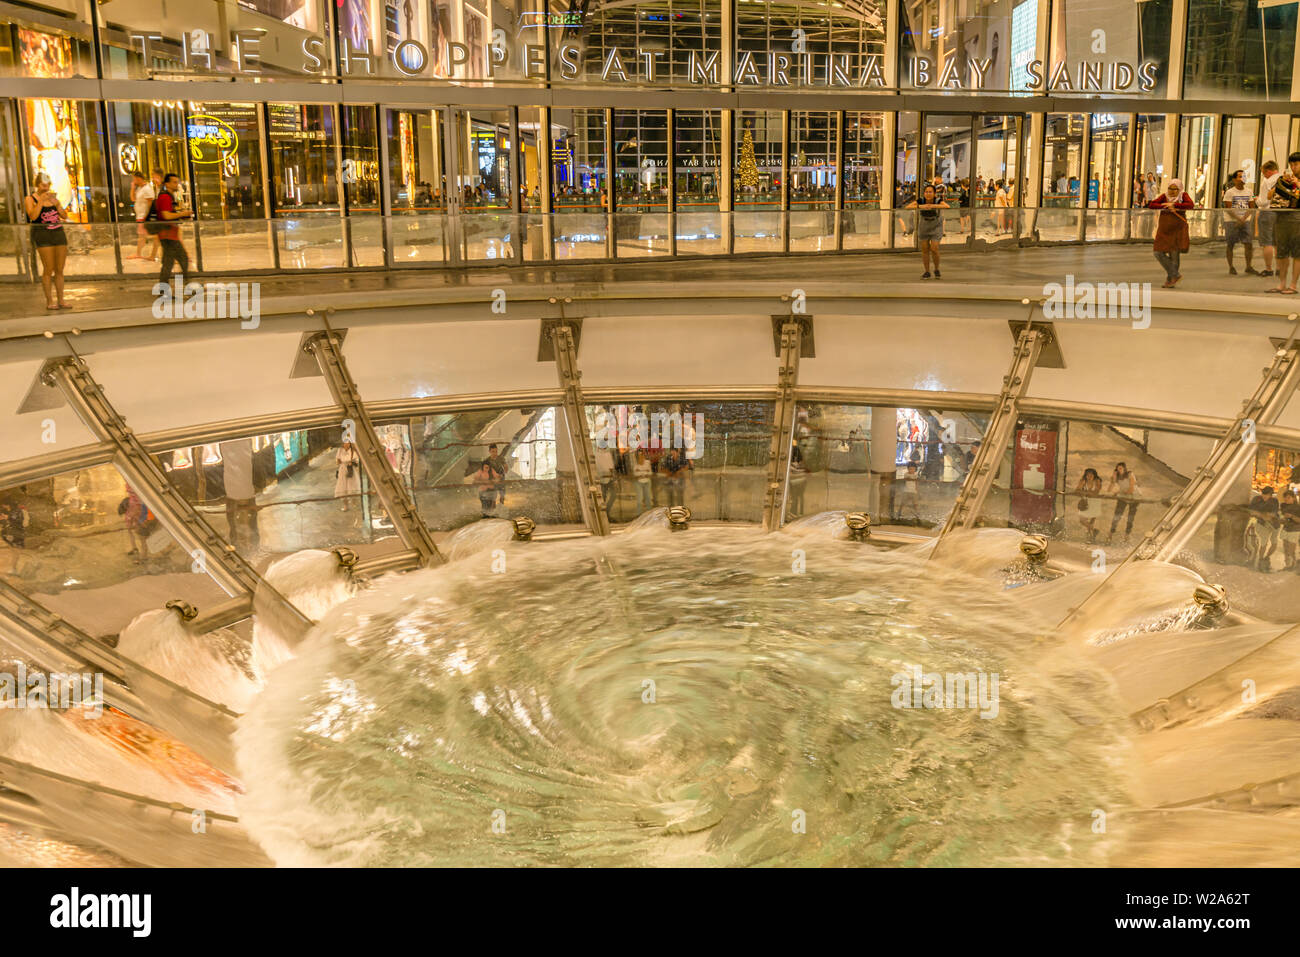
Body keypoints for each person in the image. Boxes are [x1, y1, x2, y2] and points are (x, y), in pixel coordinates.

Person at [23, 171, 70, 310]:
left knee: (59, 269)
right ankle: (50, 301)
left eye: (47, 185)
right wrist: (41, 201)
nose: (46, 188)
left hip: (58, 233)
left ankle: (61, 300)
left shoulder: (53, 198)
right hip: (43, 234)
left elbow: (64, 216)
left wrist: (57, 205)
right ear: (37, 185)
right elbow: (33, 215)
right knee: (48, 268)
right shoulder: (30, 199)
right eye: (43, 185)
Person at [1147, 179, 1193, 288]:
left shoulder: (1183, 195)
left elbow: (1190, 205)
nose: (1172, 191)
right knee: (1158, 252)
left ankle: (1170, 280)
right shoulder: (1164, 196)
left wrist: (1176, 205)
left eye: (1175, 189)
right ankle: (1175, 274)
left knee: (1174, 255)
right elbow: (1152, 204)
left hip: (1177, 229)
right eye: (1170, 188)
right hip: (1164, 230)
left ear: (1179, 189)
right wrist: (1166, 205)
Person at [1268, 151, 1300, 294]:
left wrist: (1297, 184)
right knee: (1281, 252)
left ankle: (1293, 285)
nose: (1293, 167)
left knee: (1297, 254)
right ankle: (1281, 283)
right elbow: (1269, 196)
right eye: (1291, 164)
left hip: (1298, 220)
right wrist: (1280, 184)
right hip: (1281, 218)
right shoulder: (1283, 179)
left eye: (1296, 164)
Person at [154, 172, 193, 285]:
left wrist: (181, 215)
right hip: (168, 235)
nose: (177, 184)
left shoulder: (167, 196)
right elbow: (166, 216)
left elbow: (169, 215)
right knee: (183, 259)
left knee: (168, 262)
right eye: (174, 182)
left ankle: (163, 289)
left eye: (177, 182)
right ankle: (187, 286)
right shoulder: (165, 197)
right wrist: (183, 214)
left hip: (168, 234)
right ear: (167, 184)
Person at [906, 183, 949, 279]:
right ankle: (927, 271)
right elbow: (908, 206)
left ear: (934, 193)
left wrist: (932, 206)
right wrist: (922, 206)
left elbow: (946, 206)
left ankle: (936, 269)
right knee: (925, 249)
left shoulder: (938, 200)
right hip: (924, 226)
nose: (928, 194)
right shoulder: (921, 200)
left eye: (930, 192)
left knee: (934, 248)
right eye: (926, 192)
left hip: (936, 226)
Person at [1221, 169, 1257, 275]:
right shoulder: (1230, 192)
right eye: (1240, 176)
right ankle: (1231, 266)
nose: (1243, 179)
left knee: (1248, 243)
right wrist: (1238, 219)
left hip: (1245, 220)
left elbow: (1251, 207)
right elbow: (1228, 208)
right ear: (1234, 179)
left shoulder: (1249, 191)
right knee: (1231, 243)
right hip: (1231, 221)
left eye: (1244, 176)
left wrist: (1243, 218)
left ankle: (1249, 266)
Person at [1247, 486, 1281, 571]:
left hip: (1274, 524)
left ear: (1271, 495)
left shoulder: (1274, 501)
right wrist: (1261, 515)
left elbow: (1272, 514)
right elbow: (1251, 510)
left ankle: (1266, 557)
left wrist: (1260, 514)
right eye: (1263, 494)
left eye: (1267, 495)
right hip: (1262, 524)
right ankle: (1261, 559)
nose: (1264, 496)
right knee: (1263, 542)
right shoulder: (1257, 499)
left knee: (1274, 542)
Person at [1255, 160, 1280, 278]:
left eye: (1264, 173)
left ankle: (1268, 268)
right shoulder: (1283, 179)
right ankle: (1280, 268)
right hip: (1281, 213)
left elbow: (1264, 201)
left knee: (1267, 242)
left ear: (1268, 171)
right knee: (1277, 242)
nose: (1263, 175)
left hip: (1267, 212)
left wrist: (1256, 199)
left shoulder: (1267, 182)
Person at [1105, 462, 1141, 543]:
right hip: (1124, 496)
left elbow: (1131, 488)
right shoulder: (1117, 477)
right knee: (1117, 515)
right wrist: (1113, 479)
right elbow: (1109, 490)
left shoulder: (1130, 474)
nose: (1119, 470)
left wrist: (1119, 493)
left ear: (1124, 469)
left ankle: (1127, 535)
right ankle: (1111, 533)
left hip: (1134, 496)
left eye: (1120, 468)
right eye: (1117, 469)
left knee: (1130, 517)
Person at [130, 169, 160, 262]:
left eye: (134, 179)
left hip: (144, 216)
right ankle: (139, 253)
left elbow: (150, 202)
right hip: (140, 216)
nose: (133, 181)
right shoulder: (140, 188)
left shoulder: (147, 188)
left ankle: (148, 254)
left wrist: (147, 216)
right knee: (142, 235)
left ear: (139, 178)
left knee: (147, 235)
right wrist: (132, 188)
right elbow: (133, 199)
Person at [120, 487, 150, 562]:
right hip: (139, 518)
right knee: (142, 538)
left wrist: (140, 521)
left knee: (143, 539)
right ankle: (138, 551)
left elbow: (142, 509)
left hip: (141, 519)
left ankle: (143, 557)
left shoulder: (139, 500)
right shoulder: (133, 501)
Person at [1075, 467, 1104, 544]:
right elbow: (1077, 490)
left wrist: (1085, 492)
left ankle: (1090, 537)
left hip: (1095, 502)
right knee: (1082, 520)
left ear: (1094, 475)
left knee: (1091, 521)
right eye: (1088, 475)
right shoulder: (1083, 481)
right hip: (1086, 502)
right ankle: (1094, 531)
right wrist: (1088, 492)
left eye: (1091, 475)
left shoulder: (1097, 481)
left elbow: (1096, 492)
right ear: (1085, 475)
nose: (1089, 477)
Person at [335, 442, 362, 511]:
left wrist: (351, 462)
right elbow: (337, 461)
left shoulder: (353, 451)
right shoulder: (340, 450)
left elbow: (357, 461)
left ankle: (354, 504)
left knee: (352, 486)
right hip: (342, 470)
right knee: (342, 487)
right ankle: (345, 506)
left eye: (348, 443)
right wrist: (339, 461)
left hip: (351, 470)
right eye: (345, 443)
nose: (346, 445)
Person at [1278, 488, 1300, 571]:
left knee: (1291, 550)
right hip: (1286, 529)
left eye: (1288, 498)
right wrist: (1281, 519)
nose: (1286, 499)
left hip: (1294, 530)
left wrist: (1291, 516)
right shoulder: (1283, 506)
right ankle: (1287, 566)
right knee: (1286, 549)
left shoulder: (1298, 507)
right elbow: (1282, 519)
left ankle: (1293, 565)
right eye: (1285, 498)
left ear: (1293, 498)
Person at [787, 440, 808, 518]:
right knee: (800, 496)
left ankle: (793, 513)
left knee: (794, 497)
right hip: (802, 481)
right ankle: (800, 512)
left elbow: (791, 473)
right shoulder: (801, 462)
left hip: (794, 481)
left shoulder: (791, 463)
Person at [485, 442, 508, 507]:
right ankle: (493, 513)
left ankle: (501, 509)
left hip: (501, 480)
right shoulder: (487, 461)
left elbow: (506, 467)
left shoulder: (500, 458)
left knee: (502, 496)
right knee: (493, 498)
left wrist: (503, 473)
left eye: (496, 451)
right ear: (489, 451)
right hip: (493, 481)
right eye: (493, 451)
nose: (495, 453)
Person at [633, 449, 654, 513]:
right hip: (638, 483)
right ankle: (638, 514)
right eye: (639, 455)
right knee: (639, 499)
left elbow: (650, 473)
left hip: (647, 482)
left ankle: (649, 513)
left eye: (642, 454)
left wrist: (641, 473)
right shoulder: (635, 463)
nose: (641, 456)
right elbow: (635, 474)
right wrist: (644, 472)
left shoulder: (647, 462)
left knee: (648, 498)